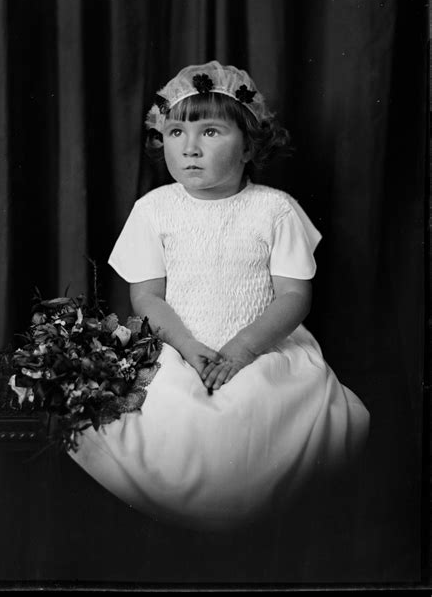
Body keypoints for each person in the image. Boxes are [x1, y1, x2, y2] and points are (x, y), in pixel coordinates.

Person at [69, 60, 370, 535]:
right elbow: (146, 298)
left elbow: (293, 296)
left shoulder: (274, 209)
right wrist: (188, 349)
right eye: (174, 132)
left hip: (261, 347)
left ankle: (242, 530)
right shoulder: (154, 210)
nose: (189, 148)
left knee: (259, 416)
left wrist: (244, 349)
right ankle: (189, 528)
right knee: (166, 413)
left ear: (249, 143)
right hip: (177, 346)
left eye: (210, 132)